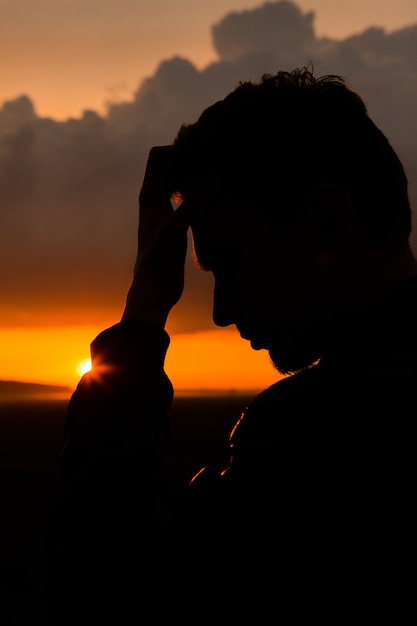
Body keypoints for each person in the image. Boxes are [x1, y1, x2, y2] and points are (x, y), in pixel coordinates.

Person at [44, 67, 417, 622]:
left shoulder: (316, 436)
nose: (222, 312)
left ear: (326, 222)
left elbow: (105, 589)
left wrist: (145, 309)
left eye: (230, 261)